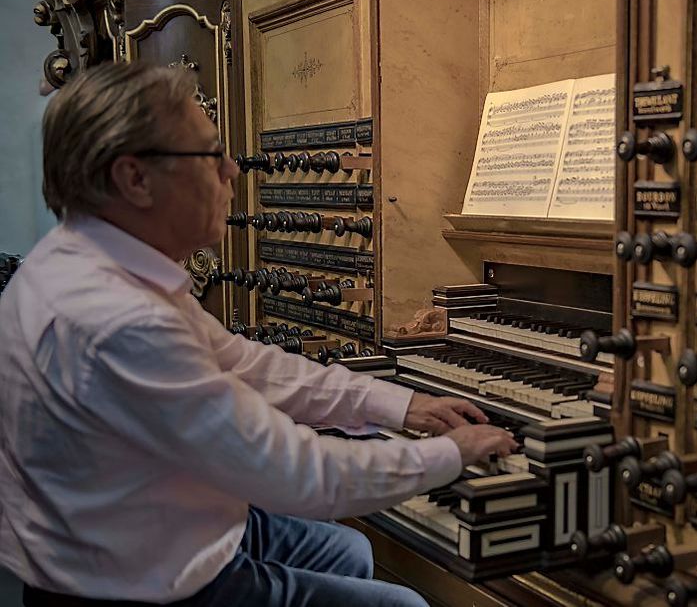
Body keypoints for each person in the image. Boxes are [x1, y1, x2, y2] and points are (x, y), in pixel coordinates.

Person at [0, 61, 518, 607]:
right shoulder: (119, 319)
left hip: (136, 523)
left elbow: (247, 364)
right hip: (123, 584)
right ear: (134, 178)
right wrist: (449, 454)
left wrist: (402, 405)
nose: (231, 170)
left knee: (349, 552)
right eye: (207, 153)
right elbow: (298, 473)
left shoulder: (93, 263)